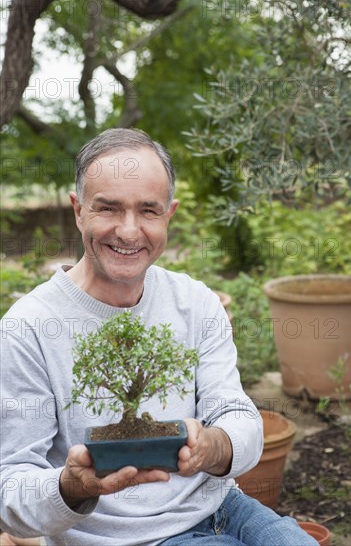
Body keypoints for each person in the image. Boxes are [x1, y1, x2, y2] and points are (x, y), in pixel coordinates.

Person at [0, 128, 317, 546]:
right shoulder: (29, 326)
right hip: (126, 538)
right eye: (108, 208)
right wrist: (70, 486)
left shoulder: (194, 302)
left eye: (148, 211)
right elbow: (11, 491)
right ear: (79, 211)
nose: (129, 231)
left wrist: (213, 445)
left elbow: (238, 414)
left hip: (224, 509)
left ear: (169, 214)